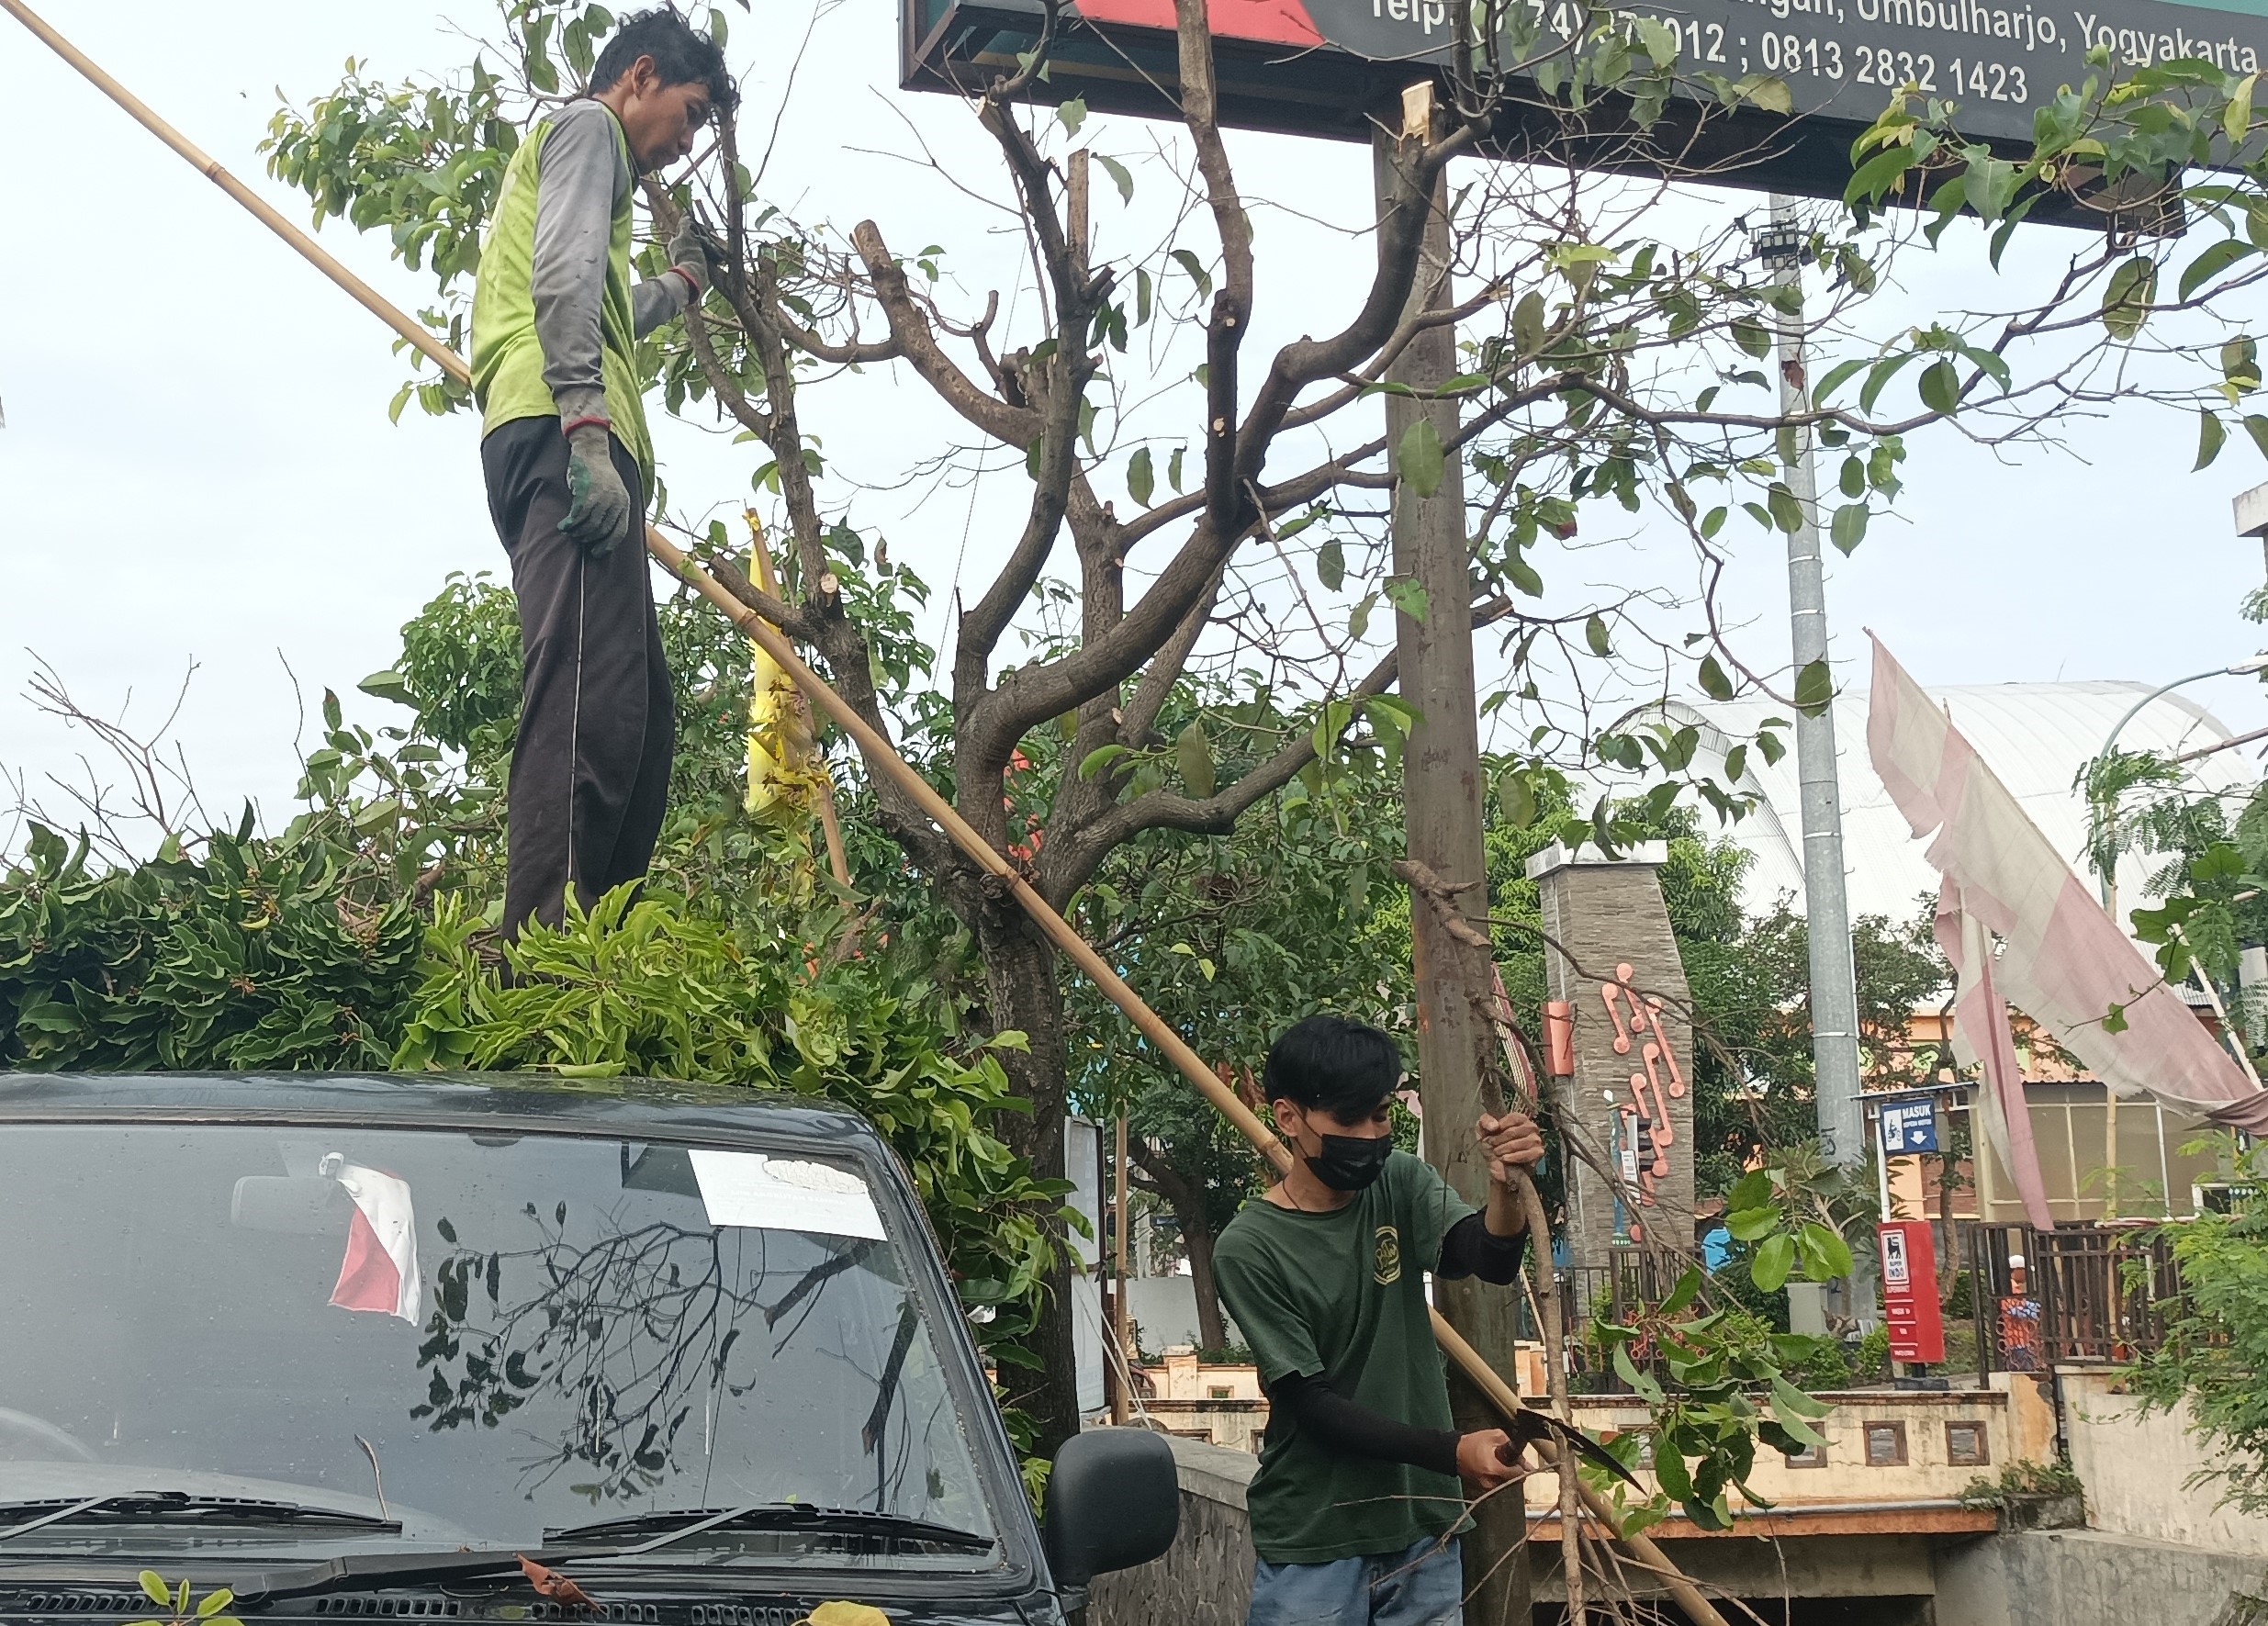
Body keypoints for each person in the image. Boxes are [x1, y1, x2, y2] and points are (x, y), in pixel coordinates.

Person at [469, 8, 735, 935]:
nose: (688, 142)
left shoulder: (587, 165)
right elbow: (567, 278)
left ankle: (595, 933)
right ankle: (538, 945)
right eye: (691, 113)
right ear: (641, 76)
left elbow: (605, 298)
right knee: (586, 695)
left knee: (640, 717)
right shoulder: (586, 128)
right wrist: (586, 432)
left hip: (555, 426)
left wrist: (685, 283)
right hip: (560, 428)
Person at [1212, 1014, 1546, 1626]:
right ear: (1288, 1118)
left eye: (1382, 1115)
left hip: (1423, 1526)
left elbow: (1488, 1257)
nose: (1370, 1134)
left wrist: (1505, 1188)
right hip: (1317, 1538)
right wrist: (1453, 1451)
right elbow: (1312, 1404)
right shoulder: (1250, 1247)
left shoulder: (1398, 1182)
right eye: (1349, 1119)